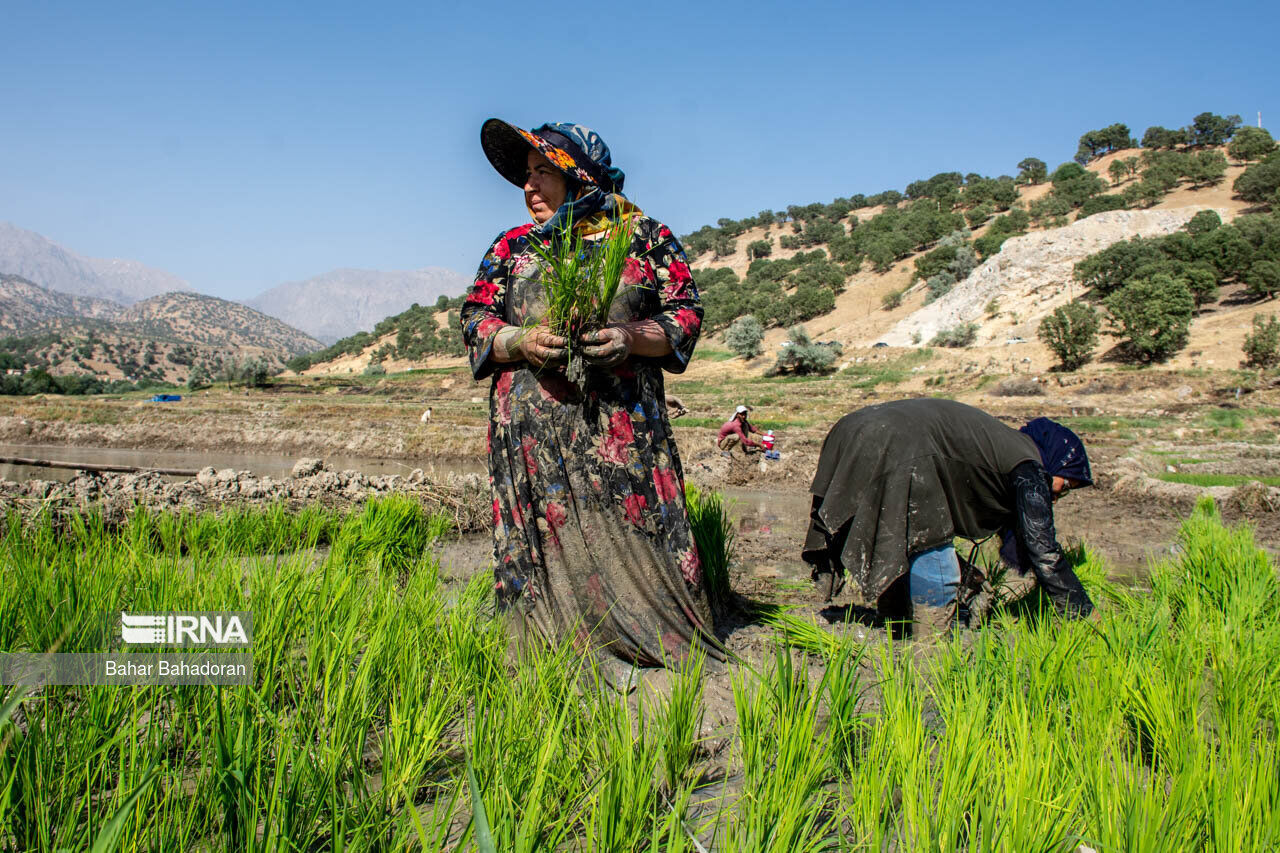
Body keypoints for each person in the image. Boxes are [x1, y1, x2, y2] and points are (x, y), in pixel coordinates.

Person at [460, 119, 720, 689]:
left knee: (633, 534)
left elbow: (686, 313)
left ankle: (653, 636)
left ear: (578, 176)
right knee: (545, 544)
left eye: (543, 172)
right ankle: (543, 641)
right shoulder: (511, 248)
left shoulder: (643, 236)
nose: (529, 187)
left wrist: (631, 338)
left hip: (621, 432)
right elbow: (476, 319)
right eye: (526, 176)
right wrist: (518, 341)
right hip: (532, 440)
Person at [802, 398, 1094, 635]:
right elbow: (1042, 548)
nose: (1056, 496)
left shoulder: (999, 445)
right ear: (1053, 462)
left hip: (854, 428)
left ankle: (897, 621)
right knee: (931, 545)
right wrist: (1084, 615)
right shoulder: (1030, 466)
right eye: (1064, 486)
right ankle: (930, 644)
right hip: (898, 443)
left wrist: (974, 579)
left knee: (901, 533)